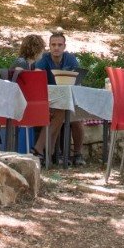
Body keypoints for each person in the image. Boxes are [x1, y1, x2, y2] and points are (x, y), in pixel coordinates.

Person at [34, 31, 84, 165]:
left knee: (77, 120)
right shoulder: (44, 59)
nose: (56, 47)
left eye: (59, 45)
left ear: (64, 46)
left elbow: (78, 81)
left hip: (69, 99)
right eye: (53, 44)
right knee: (60, 112)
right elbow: (36, 79)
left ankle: (77, 154)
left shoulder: (71, 59)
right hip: (49, 100)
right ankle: (44, 153)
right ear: (49, 46)